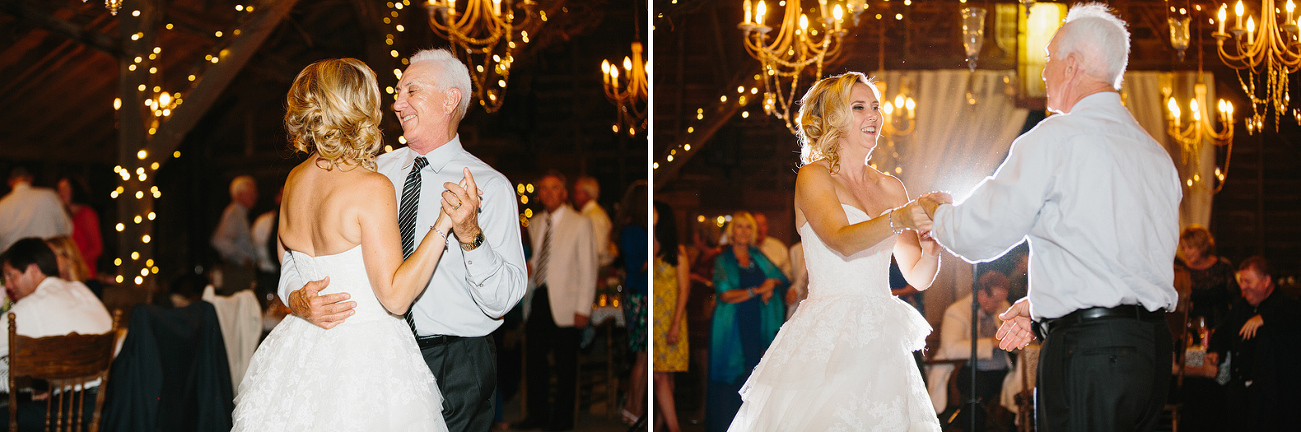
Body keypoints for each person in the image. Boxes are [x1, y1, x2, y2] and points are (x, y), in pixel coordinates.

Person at [905, 4, 1183, 431]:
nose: (1045, 71)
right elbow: (1128, 260)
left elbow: (984, 231)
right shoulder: (1156, 155)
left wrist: (936, 213)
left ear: (1072, 66)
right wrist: (1041, 305)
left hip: (1088, 354)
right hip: (1150, 354)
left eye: (1050, 58)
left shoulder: (1057, 139)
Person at [278, 49, 527, 432]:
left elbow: (503, 300)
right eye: (396, 92)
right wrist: (297, 296)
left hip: (456, 361)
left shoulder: (489, 186)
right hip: (376, 359)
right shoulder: (371, 173)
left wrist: (469, 234)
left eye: (412, 91)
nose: (397, 103)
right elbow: (295, 256)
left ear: (450, 99)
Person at [233, 58, 464, 431]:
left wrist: (297, 299)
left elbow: (286, 261)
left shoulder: (294, 180)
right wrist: (444, 225)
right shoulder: (371, 187)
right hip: (366, 356)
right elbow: (394, 297)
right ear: (359, 106)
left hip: (301, 349)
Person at [727, 72, 942, 431]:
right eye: (859, 107)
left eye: (875, 106)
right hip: (829, 334)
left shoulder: (891, 187)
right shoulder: (814, 177)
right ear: (832, 119)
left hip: (882, 338)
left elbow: (917, 275)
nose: (873, 115)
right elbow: (841, 239)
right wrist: (899, 217)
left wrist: (932, 248)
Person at [0, 238, 113, 427]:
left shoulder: (32, 306)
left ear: (34, 270)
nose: (9, 286)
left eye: (11, 276)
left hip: (69, 413)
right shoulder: (81, 290)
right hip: (108, 407)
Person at [515, 172, 597, 432]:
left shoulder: (580, 223)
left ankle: (562, 423)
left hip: (567, 303)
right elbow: (540, 258)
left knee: (565, 367)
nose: (548, 192)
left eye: (554, 188)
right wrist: (527, 268)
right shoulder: (536, 222)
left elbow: (589, 268)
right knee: (535, 362)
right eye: (544, 188)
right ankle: (537, 416)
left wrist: (583, 308)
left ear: (564, 193)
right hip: (539, 297)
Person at [707, 210, 788, 432]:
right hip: (730, 326)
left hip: (754, 324)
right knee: (729, 381)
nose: (744, 231)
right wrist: (755, 291)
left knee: (752, 377)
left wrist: (770, 285)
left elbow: (781, 279)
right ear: (732, 232)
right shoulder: (723, 259)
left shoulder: (757, 257)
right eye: (740, 226)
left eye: (748, 227)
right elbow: (724, 294)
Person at [1205, 257, 1301, 430]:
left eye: (1248, 281)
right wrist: (1215, 351)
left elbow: (1292, 316)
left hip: (1273, 397)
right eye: (1241, 281)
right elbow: (1224, 331)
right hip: (1241, 394)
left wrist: (1265, 318)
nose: (1243, 287)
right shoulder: (1242, 306)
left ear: (1266, 281)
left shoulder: (1286, 305)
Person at [927, 270, 1012, 431]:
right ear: (981, 295)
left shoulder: (1003, 307)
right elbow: (952, 350)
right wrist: (991, 343)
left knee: (1020, 386)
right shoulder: (957, 311)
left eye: (1002, 300)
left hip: (1002, 369)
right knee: (977, 390)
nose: (1000, 306)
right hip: (967, 369)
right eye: (996, 301)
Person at [652, 201, 689, 432]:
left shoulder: (677, 249)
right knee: (665, 377)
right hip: (653, 320)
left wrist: (675, 324)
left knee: (659, 376)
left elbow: (684, 289)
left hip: (670, 319)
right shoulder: (649, 245)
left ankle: (674, 429)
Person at [615, 181, 649, 426]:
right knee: (643, 356)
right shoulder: (637, 230)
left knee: (641, 355)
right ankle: (635, 407)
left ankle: (632, 407)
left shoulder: (628, 229)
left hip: (633, 294)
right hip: (641, 294)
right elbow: (640, 265)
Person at [1177, 225, 1238, 336]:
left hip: (1220, 328)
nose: (1186, 252)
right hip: (1191, 330)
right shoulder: (1181, 271)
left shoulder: (1222, 268)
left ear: (1202, 246)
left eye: (1190, 248)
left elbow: (1236, 301)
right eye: (1183, 248)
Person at [0, 167, 72, 253]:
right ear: (30, 178)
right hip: (46, 257)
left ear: (10, 182)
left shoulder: (2, 205)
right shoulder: (49, 196)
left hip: (14, 261)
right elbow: (67, 229)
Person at [211, 175, 259, 293]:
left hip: (239, 271)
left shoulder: (240, 214)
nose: (255, 196)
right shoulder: (233, 213)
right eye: (251, 192)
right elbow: (219, 241)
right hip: (236, 272)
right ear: (240, 194)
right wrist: (243, 259)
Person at [57, 177, 103, 279]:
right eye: (59, 189)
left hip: (86, 275)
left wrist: (75, 262)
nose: (60, 193)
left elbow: (97, 248)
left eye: (64, 189)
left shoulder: (86, 213)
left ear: (75, 190)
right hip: (72, 276)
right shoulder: (67, 216)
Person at [574, 176, 616, 268]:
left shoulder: (593, 216)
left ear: (587, 193)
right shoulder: (591, 213)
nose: (575, 196)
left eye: (577, 192)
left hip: (597, 268)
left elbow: (598, 248)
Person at [752, 213, 791, 279]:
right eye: (756, 224)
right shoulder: (745, 248)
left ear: (767, 227)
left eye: (763, 225)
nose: (760, 229)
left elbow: (788, 275)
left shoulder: (778, 246)